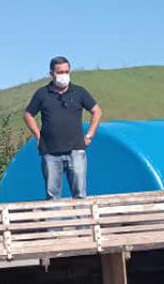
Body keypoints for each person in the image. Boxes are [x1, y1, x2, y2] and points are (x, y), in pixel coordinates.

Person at [24, 56, 103, 199]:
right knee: (53, 195)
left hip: (76, 150)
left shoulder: (79, 92)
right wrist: (38, 135)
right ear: (52, 74)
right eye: (60, 72)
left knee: (80, 193)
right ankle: (54, 221)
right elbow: (28, 115)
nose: (63, 75)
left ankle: (82, 221)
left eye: (66, 71)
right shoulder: (42, 94)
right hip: (50, 152)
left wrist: (89, 135)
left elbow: (96, 111)